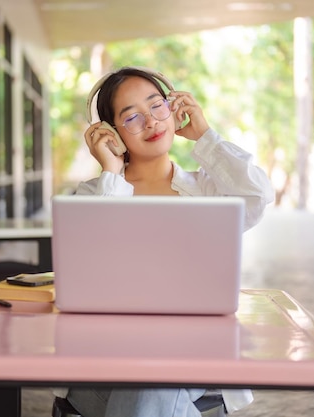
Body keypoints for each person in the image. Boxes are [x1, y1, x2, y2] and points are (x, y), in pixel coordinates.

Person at [66, 67, 275, 417]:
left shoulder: (208, 190)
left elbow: (258, 194)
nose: (151, 122)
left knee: (153, 384)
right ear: (111, 134)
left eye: (157, 106)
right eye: (131, 116)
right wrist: (111, 173)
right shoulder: (93, 195)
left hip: (195, 351)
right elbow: (92, 265)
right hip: (105, 358)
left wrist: (205, 136)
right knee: (153, 389)